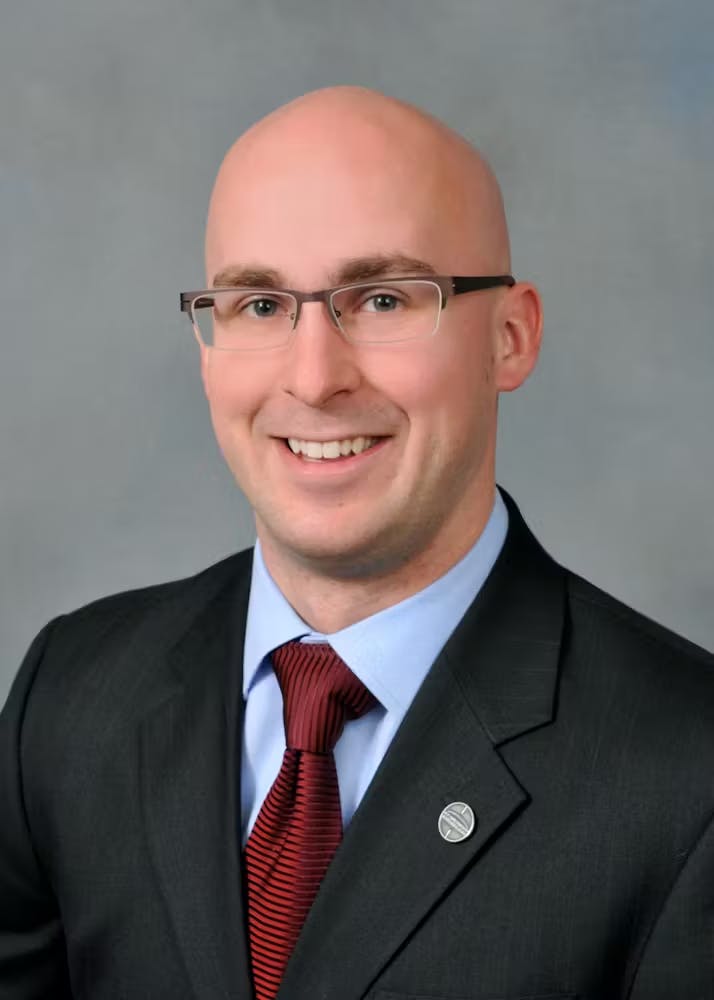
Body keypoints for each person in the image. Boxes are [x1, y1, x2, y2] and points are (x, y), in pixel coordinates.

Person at [0, 86, 712, 1000]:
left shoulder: (688, 776)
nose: (314, 377)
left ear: (510, 337)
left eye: (381, 298)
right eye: (259, 305)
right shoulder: (74, 695)